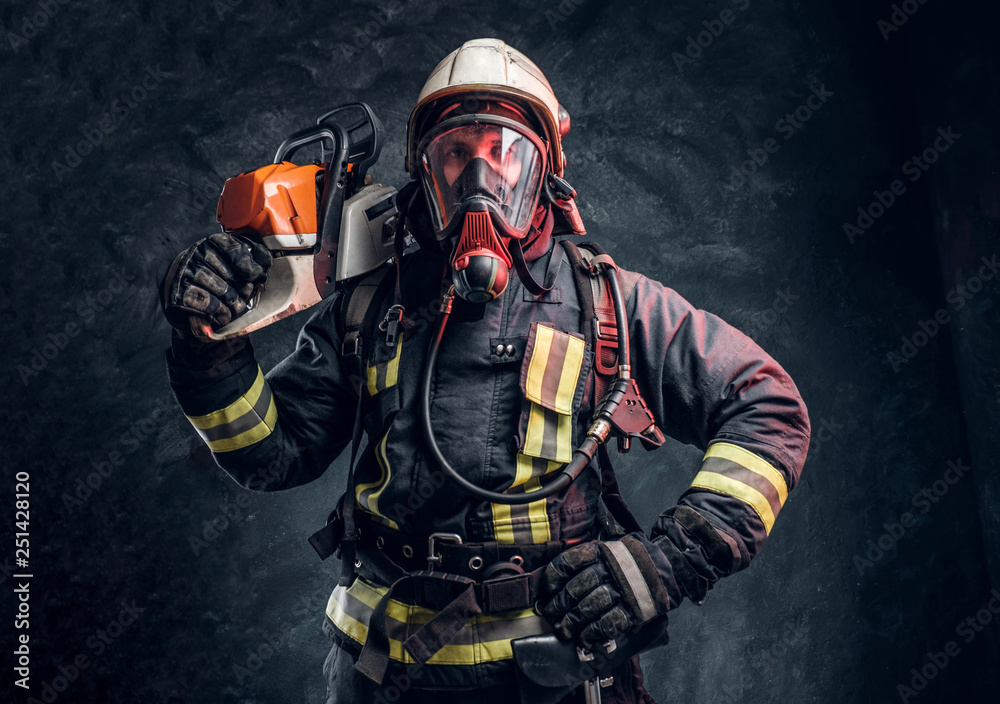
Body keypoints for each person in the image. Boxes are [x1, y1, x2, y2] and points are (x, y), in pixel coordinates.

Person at [159, 38, 811, 703]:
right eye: (455, 154)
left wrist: (666, 564)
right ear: (424, 175)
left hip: (553, 680)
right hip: (382, 676)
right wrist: (207, 346)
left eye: (505, 153)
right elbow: (270, 458)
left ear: (545, 173)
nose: (481, 180)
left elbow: (767, 407)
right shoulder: (368, 309)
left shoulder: (608, 305)